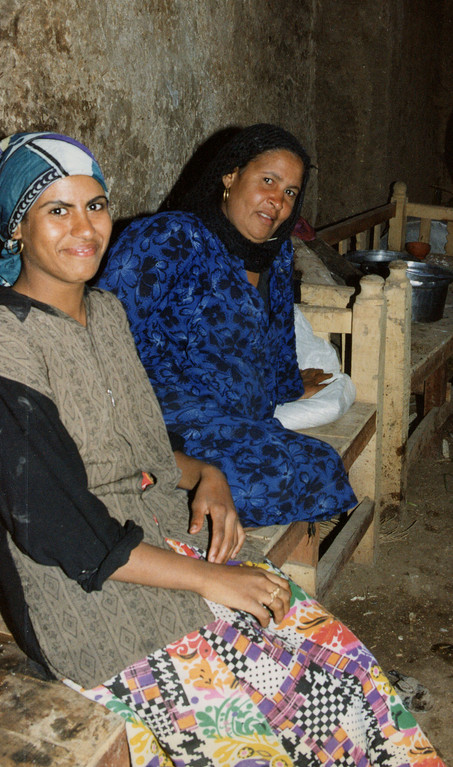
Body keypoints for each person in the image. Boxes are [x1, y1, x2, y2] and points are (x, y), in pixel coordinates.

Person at [0, 132, 444, 767]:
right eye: (57, 209)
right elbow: (69, 535)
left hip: (155, 543)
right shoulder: (9, 344)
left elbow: (145, 449)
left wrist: (204, 473)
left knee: (339, 665)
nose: (86, 228)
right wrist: (214, 578)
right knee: (277, 722)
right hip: (93, 603)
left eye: (96, 206)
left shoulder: (103, 313)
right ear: (16, 227)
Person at [97, 124, 357, 528]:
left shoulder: (276, 254)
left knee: (320, 463)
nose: (278, 201)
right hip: (166, 416)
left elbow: (277, 340)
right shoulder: (171, 237)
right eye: (268, 180)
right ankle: (153, 483)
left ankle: (168, 493)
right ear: (230, 175)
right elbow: (103, 328)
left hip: (236, 422)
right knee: (273, 477)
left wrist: (286, 384)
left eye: (290, 192)